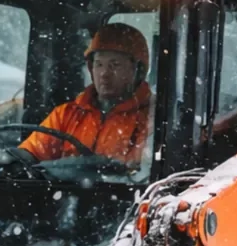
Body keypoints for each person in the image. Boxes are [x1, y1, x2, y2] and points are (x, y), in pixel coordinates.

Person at [11, 23, 153, 171]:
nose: (104, 73)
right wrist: (16, 158)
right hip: (62, 193)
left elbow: (140, 173)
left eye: (114, 65)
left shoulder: (150, 118)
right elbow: (33, 151)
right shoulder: (66, 115)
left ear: (138, 71)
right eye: (99, 64)